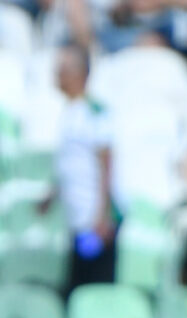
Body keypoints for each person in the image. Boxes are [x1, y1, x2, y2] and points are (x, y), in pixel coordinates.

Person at [51, 43, 117, 294]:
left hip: (93, 220)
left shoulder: (95, 112)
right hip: (76, 219)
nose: (56, 74)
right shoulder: (69, 112)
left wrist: (103, 216)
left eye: (62, 69)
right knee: (76, 288)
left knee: (94, 290)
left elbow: (107, 163)